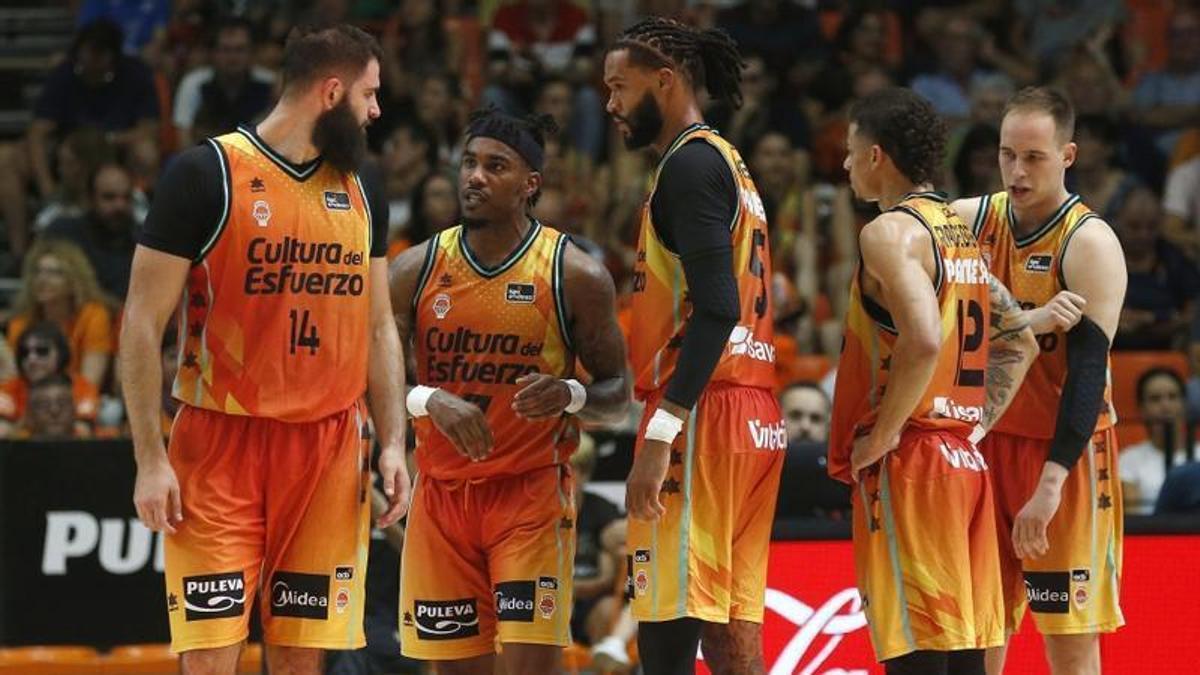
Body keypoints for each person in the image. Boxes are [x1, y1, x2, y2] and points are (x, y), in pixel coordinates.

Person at [121, 25, 409, 675]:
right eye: (368, 95)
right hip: (219, 446)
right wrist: (148, 456)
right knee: (212, 656)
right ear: (330, 92)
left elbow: (380, 326)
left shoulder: (365, 188)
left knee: (300, 658)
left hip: (328, 449)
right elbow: (141, 323)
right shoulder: (205, 174)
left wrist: (392, 440)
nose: (375, 112)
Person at [388, 107, 629, 673]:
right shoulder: (415, 270)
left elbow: (619, 395)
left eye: (495, 166)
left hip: (530, 498)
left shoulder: (575, 273)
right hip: (442, 498)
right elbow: (369, 377)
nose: (474, 177)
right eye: (469, 163)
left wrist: (569, 394)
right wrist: (427, 399)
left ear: (530, 185)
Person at [829, 87, 1040, 675]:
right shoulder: (957, 232)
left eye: (851, 150)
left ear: (877, 155)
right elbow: (1018, 338)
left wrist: (884, 435)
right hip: (964, 464)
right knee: (964, 656)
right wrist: (974, 425)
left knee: (916, 655)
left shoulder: (889, 233)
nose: (844, 164)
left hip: (914, 463)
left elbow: (922, 339)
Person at [603, 18, 785, 674]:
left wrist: (660, 433)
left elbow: (716, 307)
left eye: (620, 86)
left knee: (667, 624)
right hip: (752, 411)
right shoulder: (727, 161)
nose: (611, 104)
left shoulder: (689, 165)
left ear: (666, 80)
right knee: (730, 625)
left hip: (704, 412)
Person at [951, 87, 1128, 675]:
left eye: (1034, 157)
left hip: (1064, 456)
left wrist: (1051, 484)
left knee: (1069, 642)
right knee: (978, 633)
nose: (1017, 172)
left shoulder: (1090, 242)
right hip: (989, 443)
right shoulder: (969, 219)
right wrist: (1026, 319)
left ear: (1068, 155)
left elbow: (1086, 376)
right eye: (1007, 155)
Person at [6, 238, 116, 388]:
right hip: (31, 401)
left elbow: (90, 385)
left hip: (77, 400)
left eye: (54, 273)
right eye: (38, 272)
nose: (42, 279)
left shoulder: (93, 315)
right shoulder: (22, 321)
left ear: (74, 280)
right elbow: (14, 379)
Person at [0, 321, 99, 439]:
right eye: (25, 353)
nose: (32, 359)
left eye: (42, 351)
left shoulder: (81, 387)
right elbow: (3, 433)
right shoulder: (9, 389)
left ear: (61, 353)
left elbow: (83, 432)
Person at [1120, 367, 1198, 514]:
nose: (1165, 406)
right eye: (1155, 399)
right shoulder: (1129, 460)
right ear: (1142, 408)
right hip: (1152, 534)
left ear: (1185, 404)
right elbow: (1133, 519)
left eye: (1173, 396)